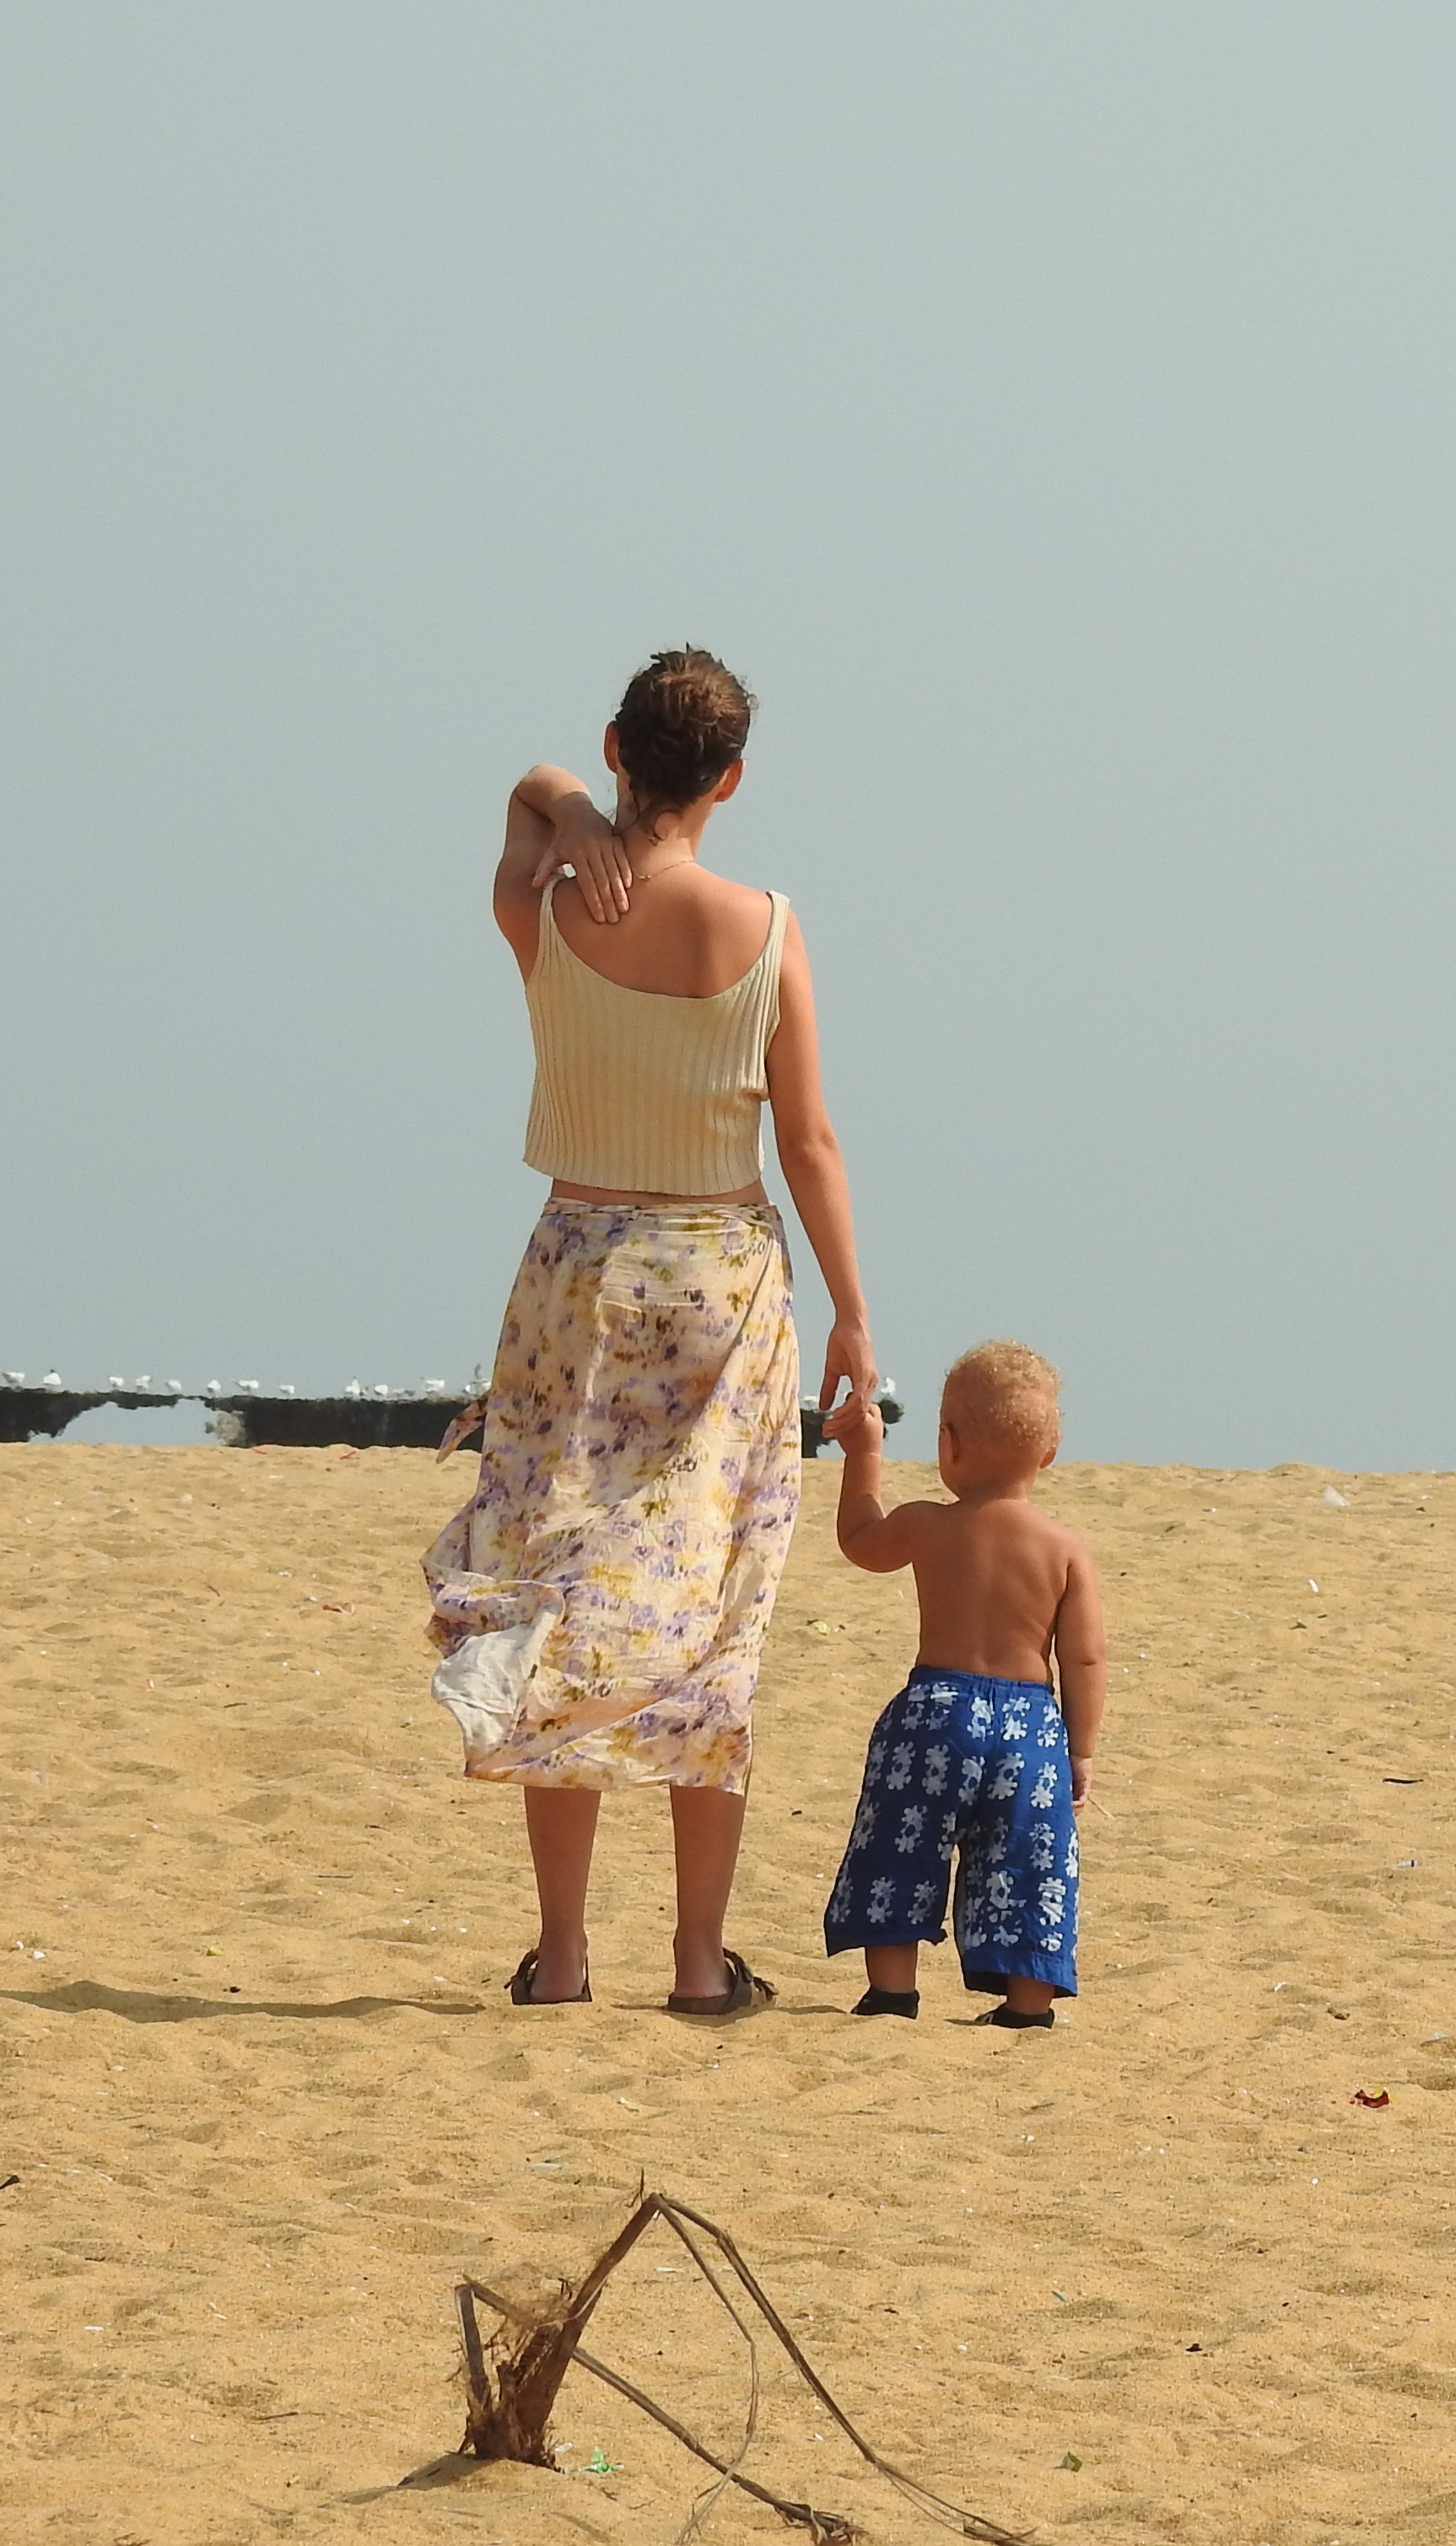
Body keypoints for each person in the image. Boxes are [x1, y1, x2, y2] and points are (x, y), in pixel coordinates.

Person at [424, 647, 879, 2019]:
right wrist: (855, 1312)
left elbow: (525, 792)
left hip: (575, 1274)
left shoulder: (547, 905)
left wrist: (568, 808)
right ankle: (695, 1959)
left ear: (618, 748)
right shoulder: (768, 927)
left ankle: (563, 1954)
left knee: (554, 1592)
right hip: (721, 1282)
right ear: (731, 779)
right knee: (717, 1610)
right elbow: (808, 1139)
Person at [820, 1340, 1104, 2026]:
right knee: (1028, 1861)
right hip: (1030, 1727)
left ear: (948, 1443)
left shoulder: (928, 1523)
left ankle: (893, 1992)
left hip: (935, 1713)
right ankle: (1027, 2005)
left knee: (900, 1843)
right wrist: (1081, 1749)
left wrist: (864, 1455)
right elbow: (1086, 1658)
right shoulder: (1064, 1548)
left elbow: (861, 1540)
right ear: (1050, 1452)